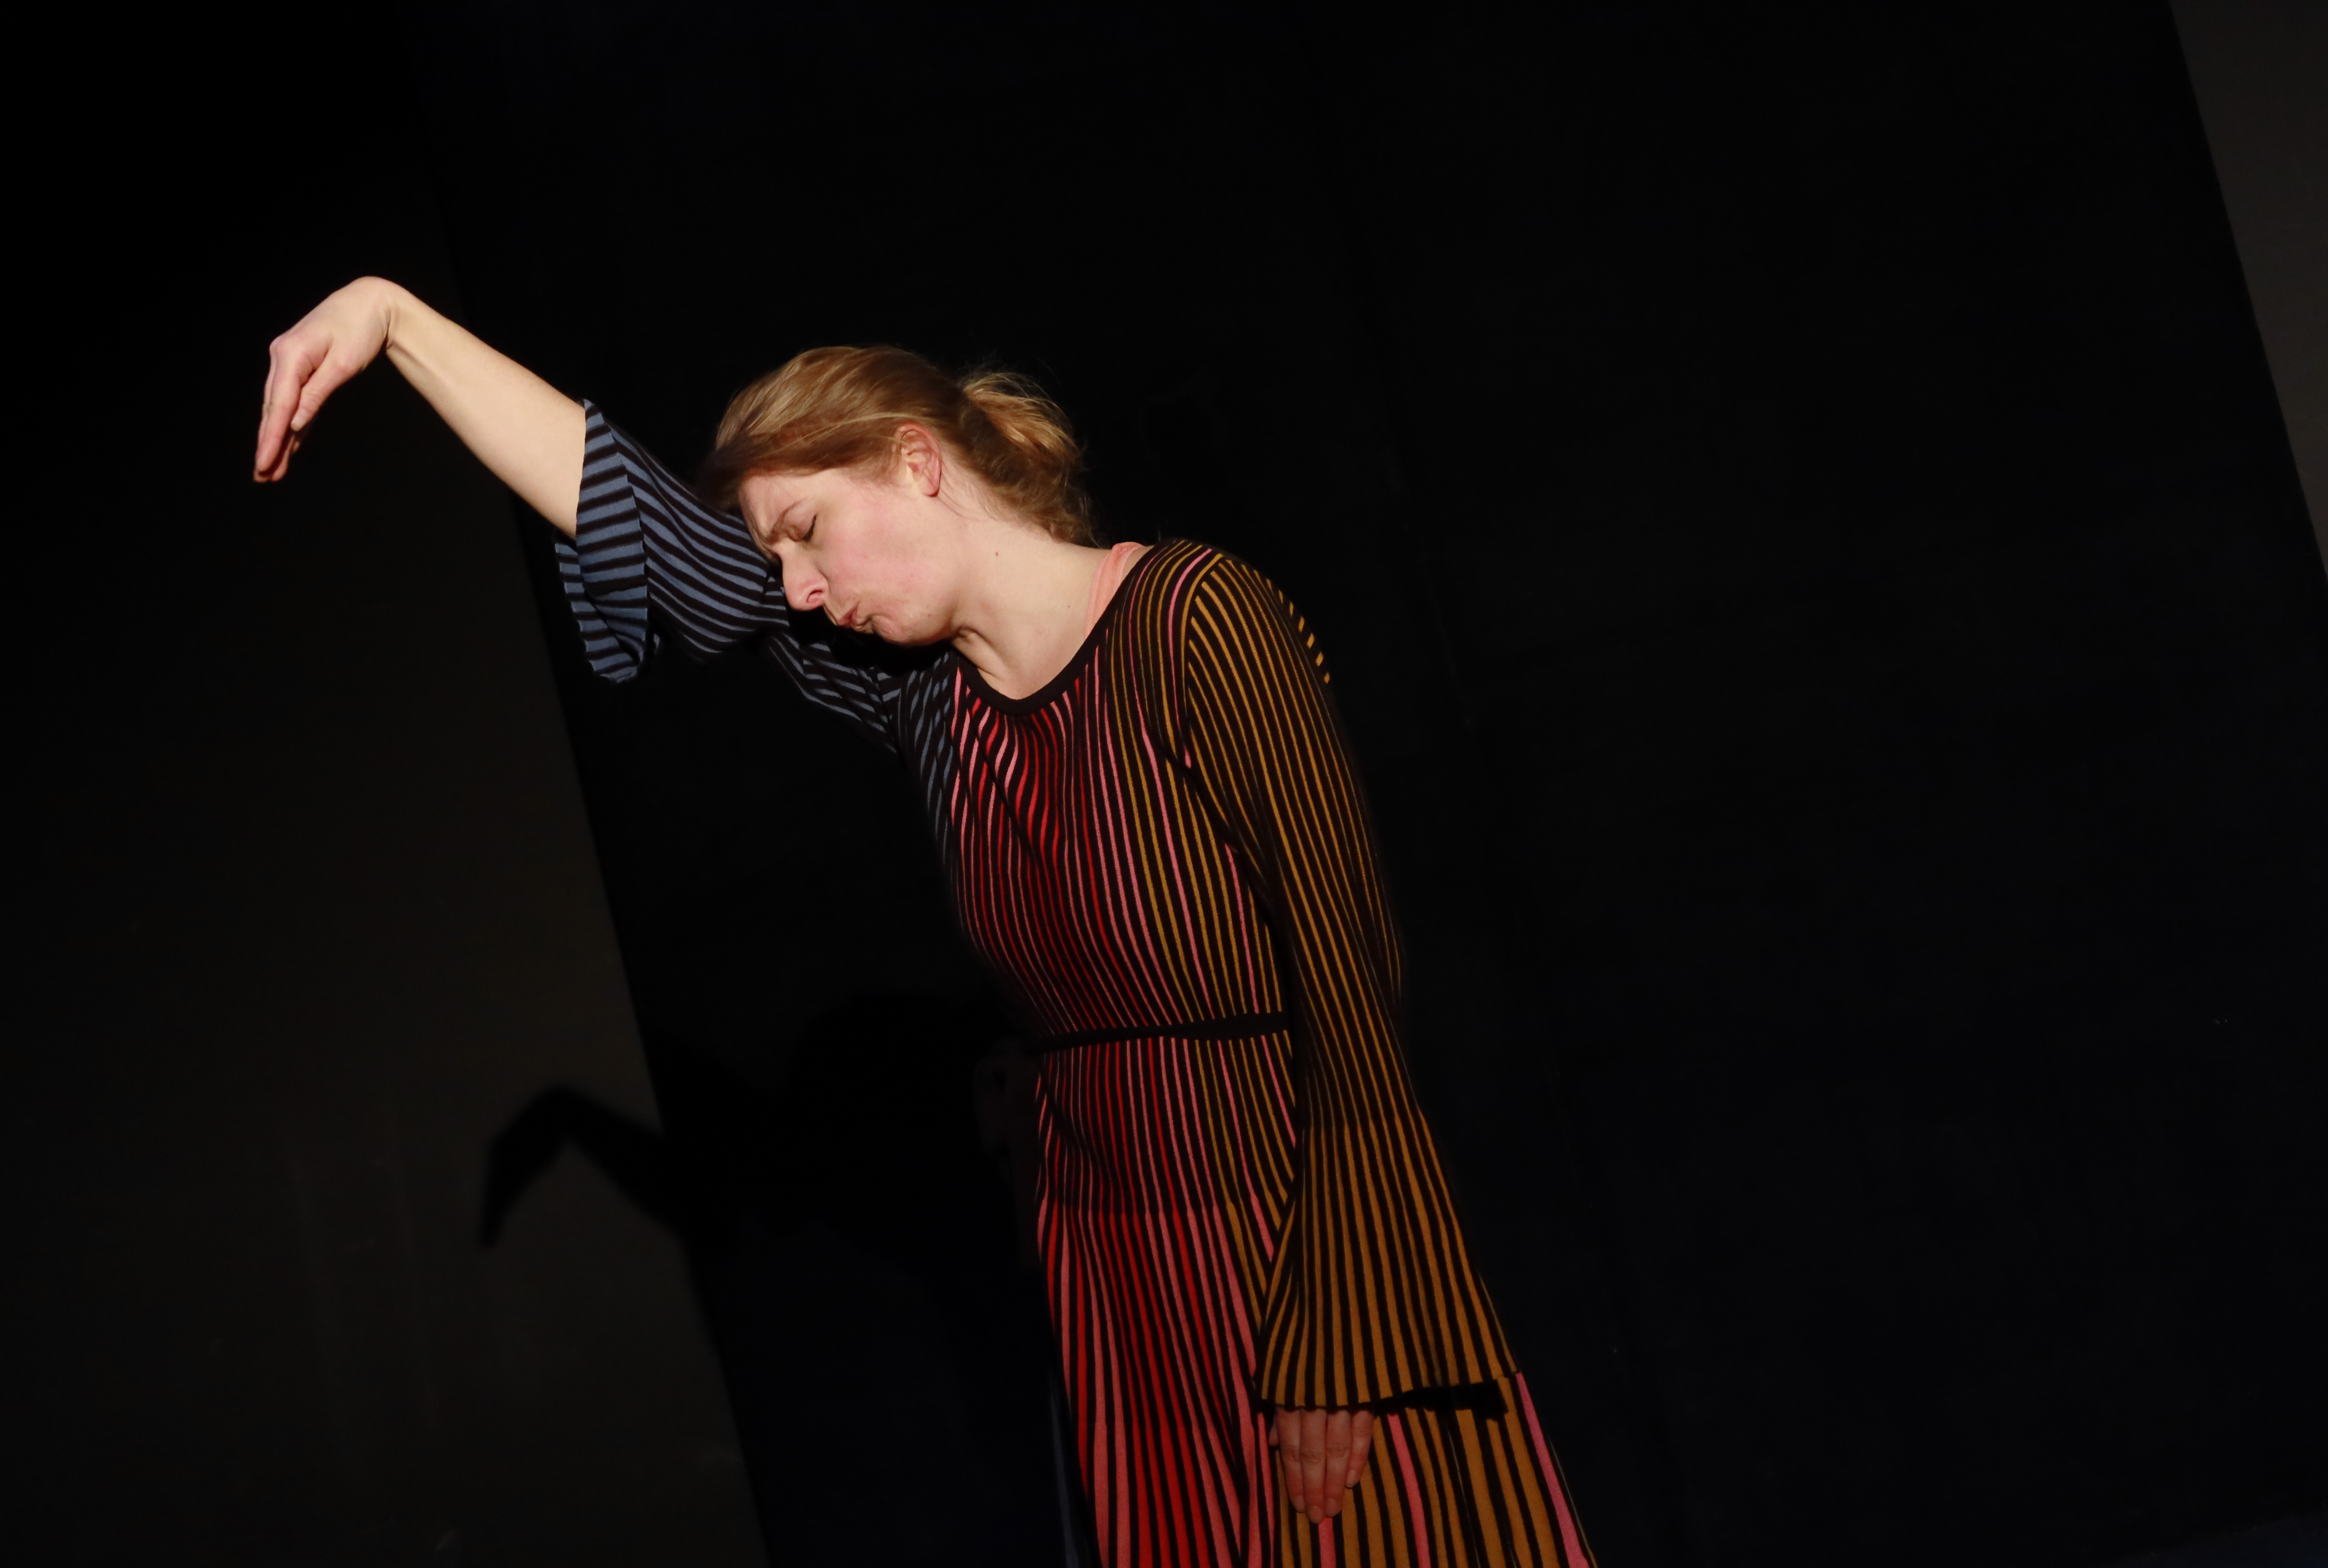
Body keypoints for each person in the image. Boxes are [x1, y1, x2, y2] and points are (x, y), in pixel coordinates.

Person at [255, 276, 1598, 1567]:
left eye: (805, 532)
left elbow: (1352, 991)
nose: (794, 589)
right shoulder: (930, 704)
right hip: (1118, 1273)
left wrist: (1348, 1340)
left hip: (1298, 1253)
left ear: (915, 461)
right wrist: (397, 320)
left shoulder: (1200, 622)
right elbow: (651, 532)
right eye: (777, 558)